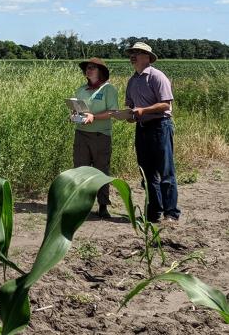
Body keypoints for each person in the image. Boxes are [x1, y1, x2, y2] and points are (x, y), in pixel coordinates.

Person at [125, 41, 180, 223]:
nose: (134, 55)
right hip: (142, 129)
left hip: (160, 126)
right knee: (146, 173)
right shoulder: (132, 81)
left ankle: (171, 213)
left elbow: (166, 104)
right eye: (132, 52)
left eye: (138, 52)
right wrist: (129, 115)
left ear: (148, 57)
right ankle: (153, 213)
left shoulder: (157, 76)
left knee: (165, 172)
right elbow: (132, 106)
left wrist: (143, 110)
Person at [72, 58, 119, 218]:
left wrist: (94, 117)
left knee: (101, 170)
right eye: (87, 68)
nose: (89, 70)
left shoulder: (108, 89)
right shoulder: (81, 89)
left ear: (101, 71)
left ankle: (103, 206)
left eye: (93, 67)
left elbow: (113, 112)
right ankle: (81, 205)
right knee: (80, 170)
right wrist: (73, 116)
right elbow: (77, 111)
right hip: (81, 134)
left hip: (101, 136)